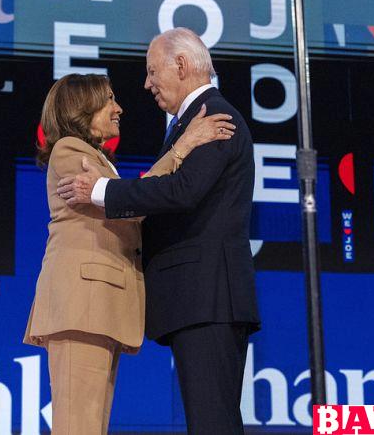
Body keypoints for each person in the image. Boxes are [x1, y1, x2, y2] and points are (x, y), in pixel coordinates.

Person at [57, 28, 260, 434]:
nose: (146, 84)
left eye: (152, 72)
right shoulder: (189, 123)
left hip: (208, 298)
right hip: (198, 299)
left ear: (181, 65)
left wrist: (100, 190)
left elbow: (182, 191)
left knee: (213, 423)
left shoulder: (213, 117)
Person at [24, 73, 237, 434]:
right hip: (81, 307)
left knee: (91, 424)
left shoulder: (99, 159)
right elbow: (128, 204)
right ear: (82, 107)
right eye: (108, 99)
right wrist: (182, 148)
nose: (118, 108)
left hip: (97, 307)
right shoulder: (69, 150)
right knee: (79, 425)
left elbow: (124, 197)